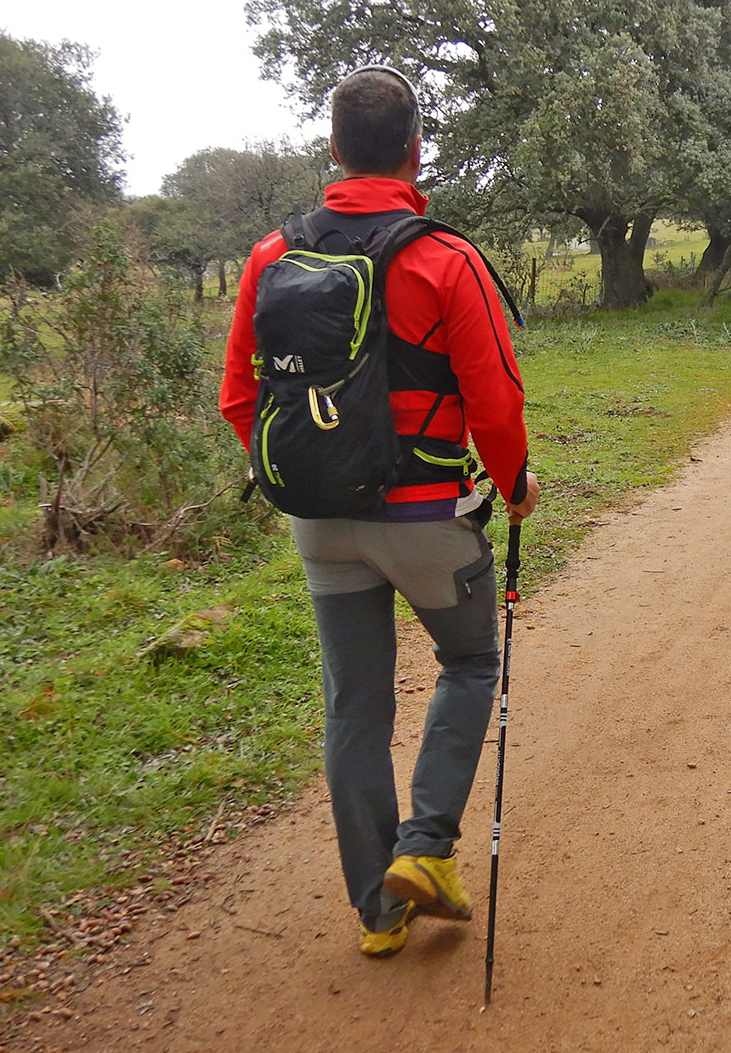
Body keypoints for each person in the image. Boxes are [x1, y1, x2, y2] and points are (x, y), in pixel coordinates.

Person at [219, 63, 539, 958]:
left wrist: (306, 480)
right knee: (472, 662)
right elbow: (496, 402)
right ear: (415, 149)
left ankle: (378, 912)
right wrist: (511, 486)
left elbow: (240, 399)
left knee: (354, 707)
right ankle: (426, 849)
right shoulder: (446, 258)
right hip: (430, 518)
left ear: (332, 149)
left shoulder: (270, 259)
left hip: (319, 524)